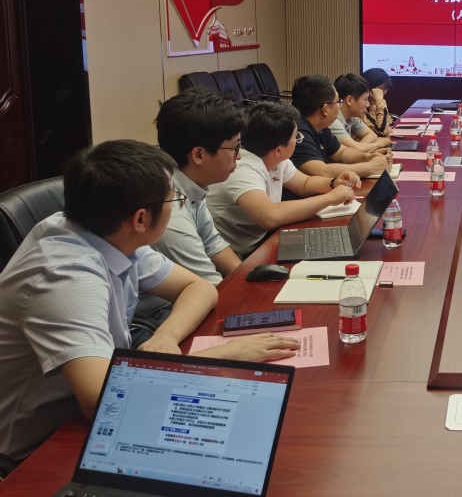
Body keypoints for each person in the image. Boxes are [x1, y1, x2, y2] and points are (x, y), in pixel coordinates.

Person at [0, 140, 300, 472]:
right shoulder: (65, 277)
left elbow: (199, 288)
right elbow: (103, 399)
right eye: (174, 199)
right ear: (141, 218)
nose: (178, 205)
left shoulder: (112, 233)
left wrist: (166, 338)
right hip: (35, 451)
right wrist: (221, 356)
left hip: (99, 412)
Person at [207, 101, 357, 257]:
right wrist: (330, 198)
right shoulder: (241, 169)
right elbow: (270, 216)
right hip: (235, 254)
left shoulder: (275, 158)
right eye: (296, 137)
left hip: (262, 242)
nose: (299, 139)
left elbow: (304, 184)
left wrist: (333, 182)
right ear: (278, 149)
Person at [153, 88, 246, 282]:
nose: (239, 156)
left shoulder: (190, 181)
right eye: (235, 147)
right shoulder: (169, 208)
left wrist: (246, 277)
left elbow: (212, 243)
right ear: (199, 155)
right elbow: (210, 284)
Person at [288, 74, 390, 188]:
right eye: (338, 101)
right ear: (325, 109)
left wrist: (369, 157)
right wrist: (370, 167)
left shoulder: (321, 127)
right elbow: (322, 171)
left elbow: (342, 153)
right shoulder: (297, 132)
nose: (340, 106)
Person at [330, 73, 393, 155]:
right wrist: (378, 144)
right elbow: (354, 152)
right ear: (349, 100)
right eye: (366, 99)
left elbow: (372, 135)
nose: (368, 104)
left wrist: (360, 147)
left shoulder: (351, 116)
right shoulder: (333, 121)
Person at [362, 67, 396, 137]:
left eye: (386, 89)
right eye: (382, 89)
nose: (384, 93)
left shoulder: (374, 106)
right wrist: (380, 100)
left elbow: (389, 125)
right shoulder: (360, 108)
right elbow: (382, 131)